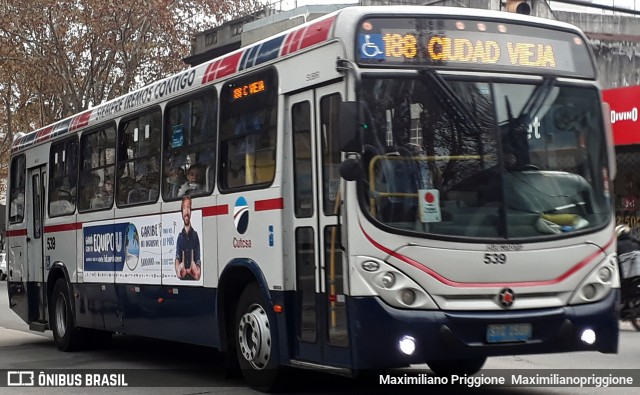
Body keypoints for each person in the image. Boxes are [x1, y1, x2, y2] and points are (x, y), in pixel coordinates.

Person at [175, 195, 201, 281]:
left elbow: (198, 258)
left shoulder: (195, 236)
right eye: (184, 208)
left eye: (189, 208)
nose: (187, 211)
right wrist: (178, 268)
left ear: (191, 212)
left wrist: (196, 269)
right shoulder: (180, 237)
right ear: (181, 212)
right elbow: (177, 257)